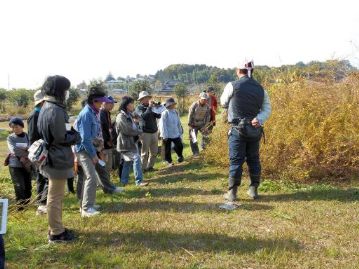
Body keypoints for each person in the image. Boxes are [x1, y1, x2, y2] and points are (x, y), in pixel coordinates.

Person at [37, 75, 81, 242]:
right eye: (66, 89)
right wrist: (75, 136)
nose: (67, 92)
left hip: (53, 155)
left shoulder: (47, 106)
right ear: (59, 90)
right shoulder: (55, 109)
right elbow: (61, 137)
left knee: (55, 195)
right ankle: (56, 232)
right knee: (55, 196)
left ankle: (56, 226)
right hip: (57, 157)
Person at [220, 60, 271, 201]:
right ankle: (253, 190)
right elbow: (267, 109)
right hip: (255, 130)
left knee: (236, 160)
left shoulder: (232, 85)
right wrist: (259, 118)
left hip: (237, 129)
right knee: (254, 159)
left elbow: (223, 102)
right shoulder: (261, 89)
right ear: (252, 71)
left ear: (238, 70)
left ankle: (232, 192)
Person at [75, 85, 116, 217]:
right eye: (101, 101)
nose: (103, 103)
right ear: (94, 101)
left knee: (89, 177)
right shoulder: (86, 114)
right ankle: (86, 208)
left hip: (91, 148)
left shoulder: (93, 112)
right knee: (91, 177)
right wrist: (93, 155)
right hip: (84, 150)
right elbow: (85, 138)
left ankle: (88, 204)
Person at [116, 96, 148, 187]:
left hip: (131, 143)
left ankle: (123, 181)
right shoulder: (121, 116)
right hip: (125, 144)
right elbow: (127, 130)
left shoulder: (130, 114)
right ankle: (139, 181)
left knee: (127, 162)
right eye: (131, 103)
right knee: (136, 158)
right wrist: (139, 132)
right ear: (126, 105)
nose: (133, 105)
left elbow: (142, 121)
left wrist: (137, 121)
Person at [27, 90, 48, 215]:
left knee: (42, 177)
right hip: (39, 152)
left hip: (43, 151)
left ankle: (41, 203)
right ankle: (42, 204)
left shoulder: (40, 114)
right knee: (43, 178)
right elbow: (33, 137)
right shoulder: (34, 115)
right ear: (42, 101)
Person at [6, 117, 32, 210]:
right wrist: (26, 150)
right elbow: (14, 150)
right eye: (12, 127)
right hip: (14, 165)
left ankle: (27, 203)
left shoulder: (28, 136)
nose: (14, 129)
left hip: (27, 165)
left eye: (16, 127)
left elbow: (32, 149)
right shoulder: (10, 138)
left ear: (21, 126)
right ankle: (20, 206)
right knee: (19, 185)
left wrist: (27, 150)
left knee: (27, 185)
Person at [135, 91, 161, 172]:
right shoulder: (139, 108)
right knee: (144, 153)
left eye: (148, 98)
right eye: (145, 98)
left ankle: (150, 167)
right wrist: (150, 107)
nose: (147, 99)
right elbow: (143, 117)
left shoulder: (152, 107)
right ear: (141, 100)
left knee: (154, 152)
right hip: (145, 133)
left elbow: (159, 115)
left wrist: (158, 108)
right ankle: (143, 169)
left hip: (154, 132)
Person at [159, 97, 184, 166]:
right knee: (167, 149)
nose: (173, 105)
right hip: (167, 134)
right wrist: (164, 135)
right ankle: (169, 161)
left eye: (173, 104)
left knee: (180, 146)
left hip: (175, 133)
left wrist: (180, 131)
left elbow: (178, 122)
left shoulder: (175, 112)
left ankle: (180, 156)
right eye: (172, 104)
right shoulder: (165, 113)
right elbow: (162, 125)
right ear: (169, 105)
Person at [188, 92, 211, 156]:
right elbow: (190, 114)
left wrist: (205, 126)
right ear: (200, 98)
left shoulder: (207, 107)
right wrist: (189, 124)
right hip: (193, 124)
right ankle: (195, 152)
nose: (204, 100)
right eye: (203, 99)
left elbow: (207, 117)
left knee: (206, 135)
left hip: (202, 124)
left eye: (206, 99)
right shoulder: (194, 105)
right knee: (193, 138)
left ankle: (204, 148)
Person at [100, 96, 117, 174]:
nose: (112, 105)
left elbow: (109, 127)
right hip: (104, 144)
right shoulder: (101, 113)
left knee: (109, 165)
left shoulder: (107, 113)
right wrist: (107, 140)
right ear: (105, 103)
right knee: (105, 165)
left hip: (109, 143)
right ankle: (105, 184)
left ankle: (107, 183)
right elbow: (102, 129)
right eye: (111, 104)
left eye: (113, 104)